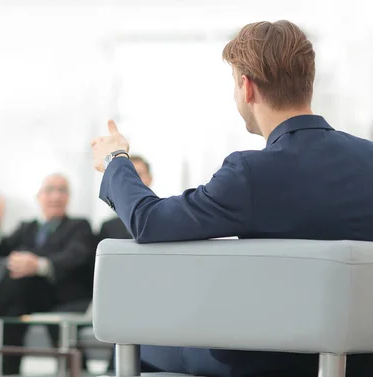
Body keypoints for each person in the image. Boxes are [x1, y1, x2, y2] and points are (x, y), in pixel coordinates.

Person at [90, 20, 373, 377]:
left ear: (247, 86)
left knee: (136, 342)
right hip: (362, 359)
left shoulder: (250, 172)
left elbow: (150, 222)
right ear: (308, 83)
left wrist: (116, 159)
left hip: (265, 359)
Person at [0, 174, 96, 375]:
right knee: (14, 307)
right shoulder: (27, 228)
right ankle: (9, 373)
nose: (56, 196)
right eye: (50, 190)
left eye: (62, 190)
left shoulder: (79, 226)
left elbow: (76, 257)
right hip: (29, 297)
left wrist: (39, 265)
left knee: (18, 275)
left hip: (62, 293)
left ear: (68, 197)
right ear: (39, 197)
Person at [97, 155, 152, 242]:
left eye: (139, 174)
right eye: (129, 175)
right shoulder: (109, 228)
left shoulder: (162, 220)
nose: (134, 180)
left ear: (150, 179)